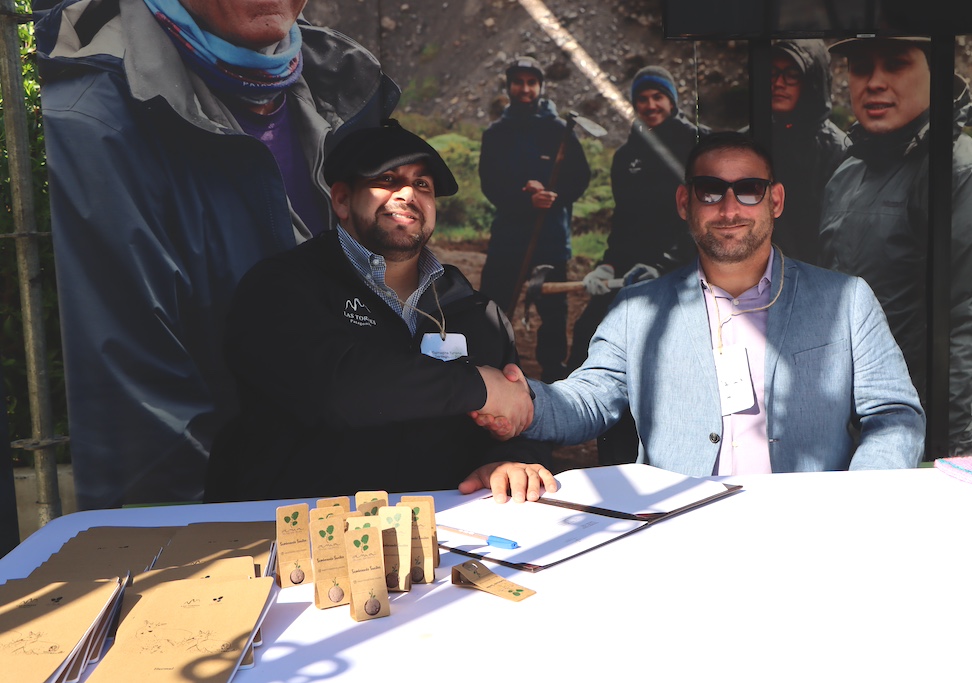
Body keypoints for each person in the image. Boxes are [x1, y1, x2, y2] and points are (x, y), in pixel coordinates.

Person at [34, 0, 400, 510]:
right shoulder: (99, 117)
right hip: (241, 526)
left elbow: (406, 304)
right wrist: (210, 564)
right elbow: (143, 426)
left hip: (355, 498)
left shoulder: (341, 84)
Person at [480, 132, 925, 475]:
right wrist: (523, 403)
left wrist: (860, 495)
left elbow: (894, 413)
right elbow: (588, 401)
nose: (729, 208)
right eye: (710, 191)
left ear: (776, 200)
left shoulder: (846, 301)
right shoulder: (637, 311)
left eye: (749, 189)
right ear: (684, 203)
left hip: (804, 525)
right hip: (679, 530)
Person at [205, 120, 555, 504]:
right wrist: (477, 387)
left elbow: (516, 416)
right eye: (387, 179)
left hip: (446, 540)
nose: (408, 193)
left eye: (423, 185)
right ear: (341, 200)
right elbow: (335, 388)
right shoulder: (281, 287)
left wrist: (510, 459)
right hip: (304, 541)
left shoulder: (475, 309)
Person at [820, 37, 972, 456]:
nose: (875, 82)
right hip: (841, 422)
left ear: (937, 74)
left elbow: (968, 319)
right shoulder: (847, 172)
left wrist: (945, 449)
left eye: (896, 64)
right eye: (861, 67)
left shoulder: (961, 171)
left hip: (909, 428)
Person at [567, 65, 705, 464]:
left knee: (662, 359)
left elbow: (701, 216)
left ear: (673, 100)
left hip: (684, 271)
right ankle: (611, 452)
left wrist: (664, 264)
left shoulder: (695, 144)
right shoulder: (627, 155)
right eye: (642, 99)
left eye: (657, 97)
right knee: (588, 333)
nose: (650, 105)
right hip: (630, 276)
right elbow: (623, 221)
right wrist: (607, 265)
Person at [478, 56, 591, 382]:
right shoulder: (496, 133)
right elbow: (491, 184)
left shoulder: (559, 130)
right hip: (509, 234)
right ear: (509, 85)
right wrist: (525, 197)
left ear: (541, 87)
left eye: (531, 82)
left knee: (553, 311)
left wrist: (554, 197)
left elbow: (580, 177)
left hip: (550, 236)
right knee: (494, 302)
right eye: (519, 82)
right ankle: (492, 363)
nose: (525, 89)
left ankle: (553, 372)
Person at [758, 39, 849, 265]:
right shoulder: (750, 139)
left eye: (792, 74)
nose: (779, 83)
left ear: (812, 82)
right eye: (773, 73)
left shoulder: (838, 150)